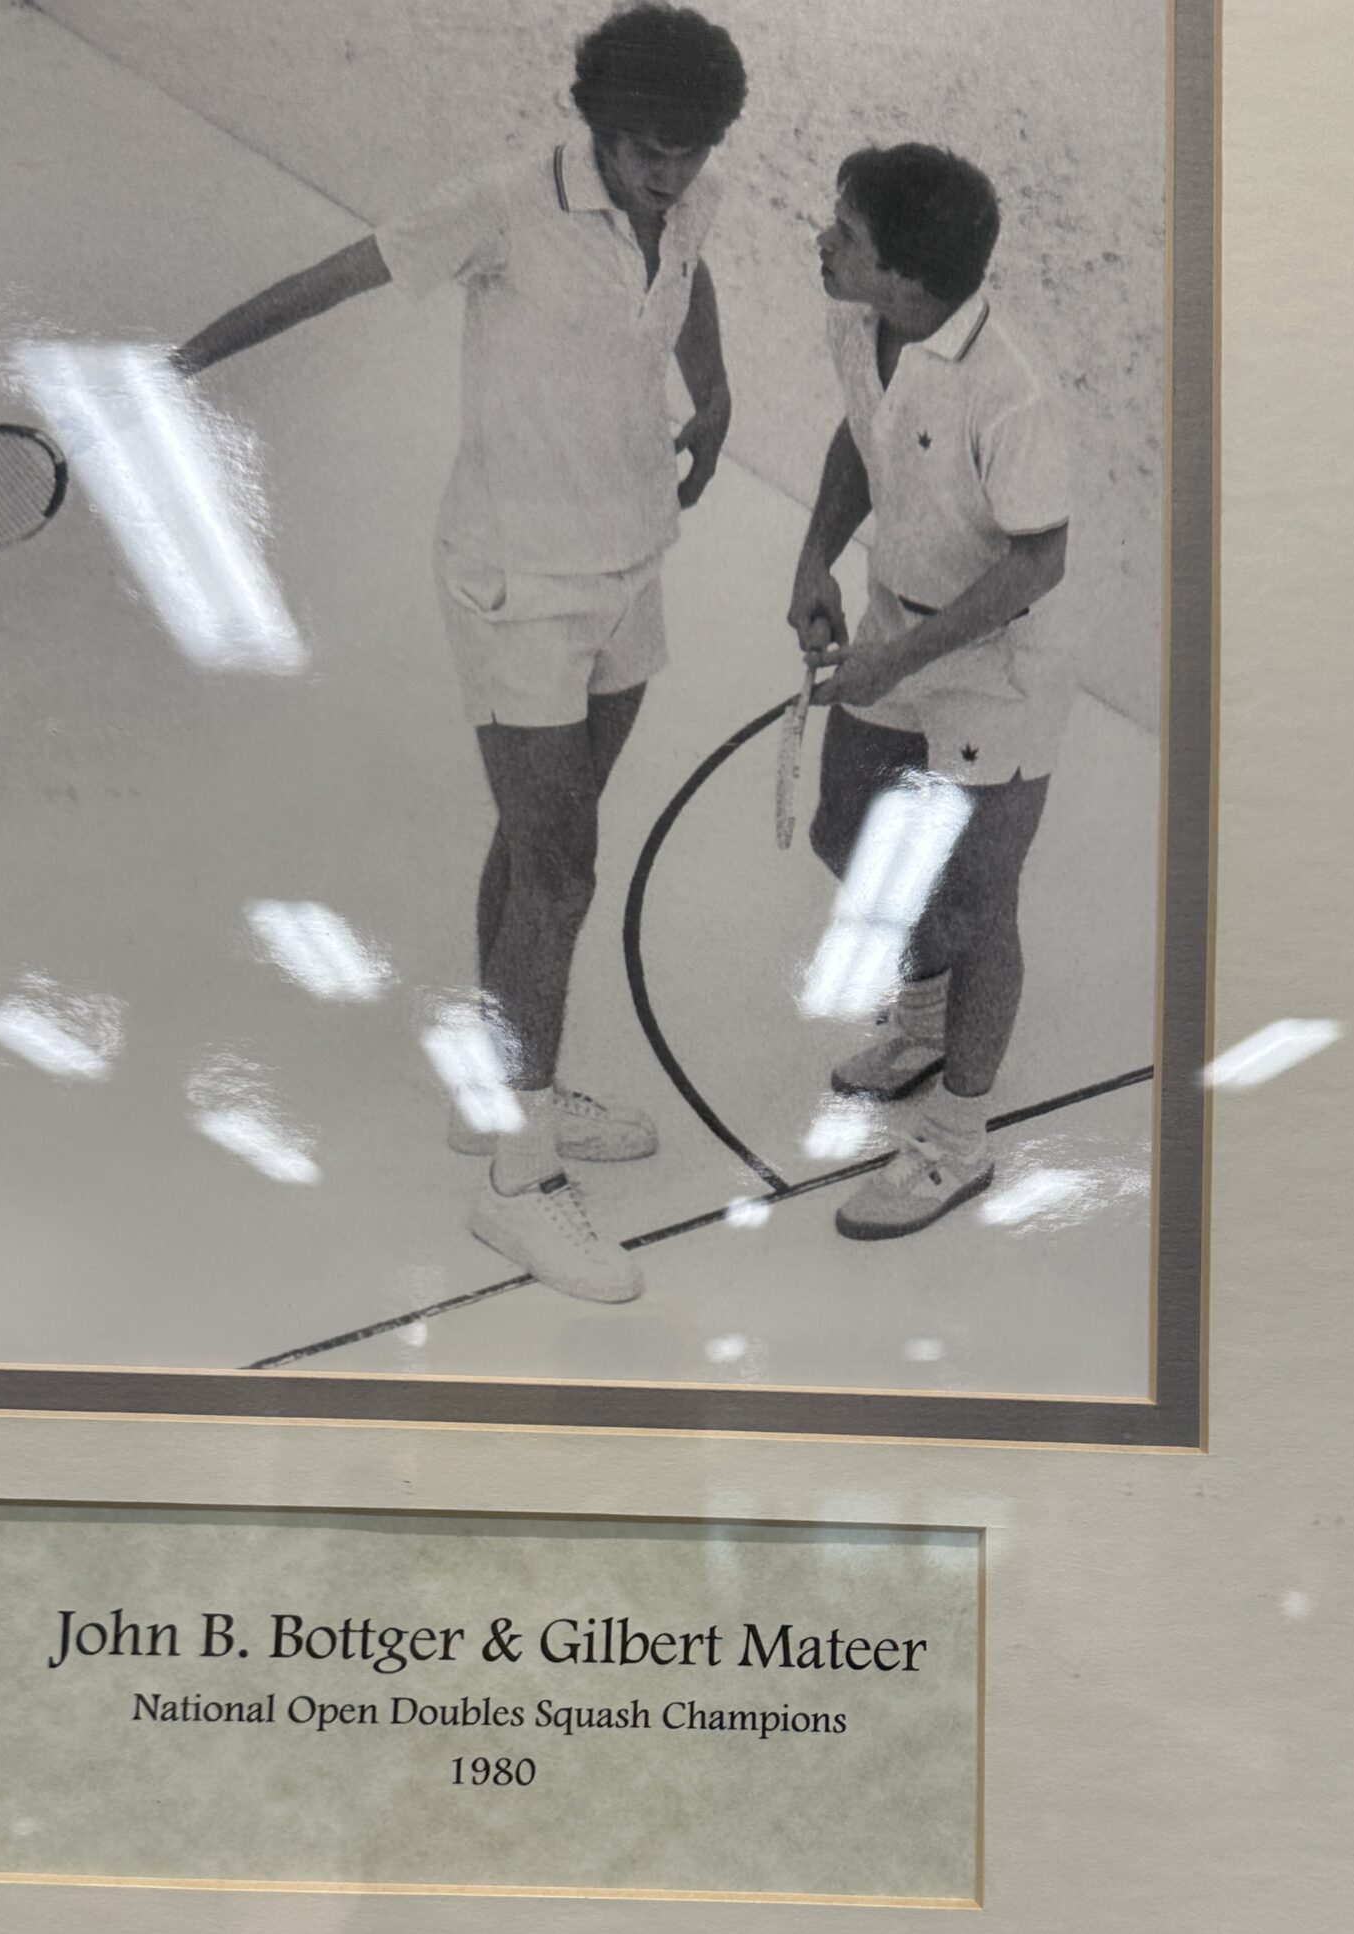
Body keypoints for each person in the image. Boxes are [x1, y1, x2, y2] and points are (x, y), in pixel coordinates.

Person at [173, 7, 749, 1302]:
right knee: (561, 872)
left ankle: (495, 1084)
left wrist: (715, 393)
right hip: (514, 583)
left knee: (545, 839)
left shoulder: (690, 195)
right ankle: (518, 1185)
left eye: (694, 151)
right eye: (651, 149)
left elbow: (690, 270)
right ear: (600, 125)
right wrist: (182, 364)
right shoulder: (501, 205)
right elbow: (339, 274)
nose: (672, 173)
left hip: (630, 560)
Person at [788, 143, 1073, 1240]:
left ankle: (958, 1141)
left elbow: (1039, 562)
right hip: (890, 630)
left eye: (847, 235)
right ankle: (922, 1019)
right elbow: (863, 433)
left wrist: (901, 661)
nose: (823, 242)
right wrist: (815, 556)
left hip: (996, 667)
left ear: (907, 274)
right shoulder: (858, 322)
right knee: (843, 833)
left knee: (975, 906)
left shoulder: (1013, 392)